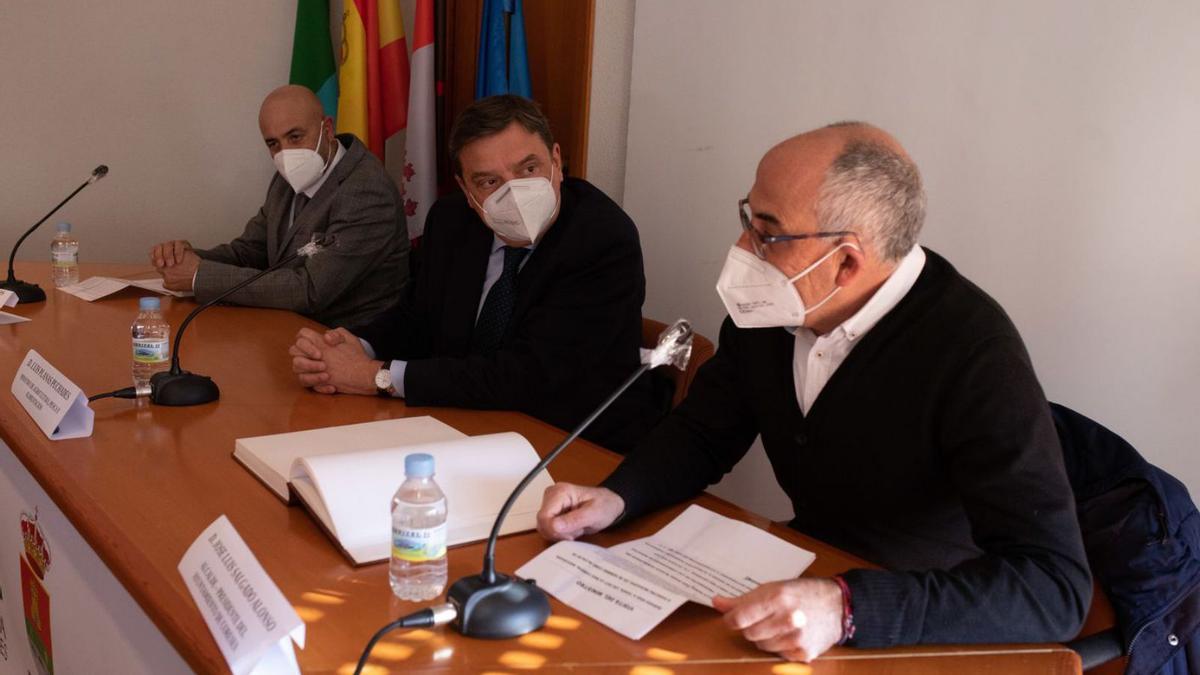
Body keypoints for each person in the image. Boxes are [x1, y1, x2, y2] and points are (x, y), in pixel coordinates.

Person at [536, 122, 1093, 661]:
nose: (742, 249)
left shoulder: (974, 354)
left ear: (847, 261)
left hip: (914, 616)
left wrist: (846, 609)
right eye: (746, 218)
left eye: (767, 233)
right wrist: (619, 495)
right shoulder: (773, 308)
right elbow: (704, 431)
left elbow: (1054, 587)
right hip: (800, 578)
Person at [289, 95, 663, 453]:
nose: (514, 191)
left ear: (556, 160)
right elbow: (418, 316)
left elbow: (528, 377)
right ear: (468, 192)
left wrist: (376, 376)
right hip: (463, 426)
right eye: (489, 182)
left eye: (528, 169)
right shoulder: (453, 221)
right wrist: (354, 347)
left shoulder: (602, 239)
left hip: (574, 445)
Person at [148, 85, 409, 328]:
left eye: (295, 136)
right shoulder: (288, 177)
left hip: (350, 340)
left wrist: (199, 276)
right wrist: (188, 259)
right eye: (273, 143)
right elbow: (251, 250)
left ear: (327, 130)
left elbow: (311, 290)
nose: (285, 153)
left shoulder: (365, 191)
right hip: (288, 326)